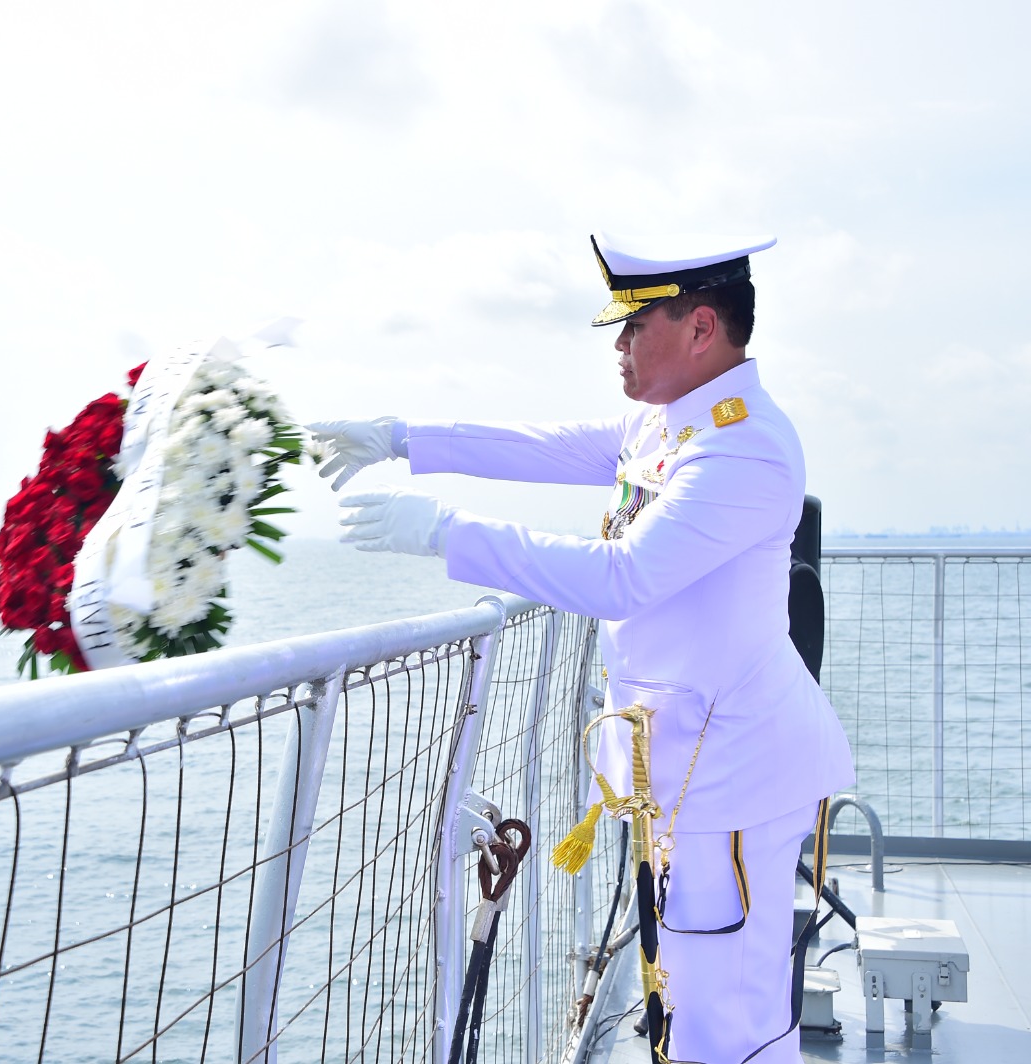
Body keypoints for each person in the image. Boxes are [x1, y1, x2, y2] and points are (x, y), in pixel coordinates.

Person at [308, 232, 855, 1064]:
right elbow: (544, 443)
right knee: (682, 998)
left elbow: (623, 576)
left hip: (735, 780)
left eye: (636, 326)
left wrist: (445, 533)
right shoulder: (668, 424)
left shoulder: (742, 448)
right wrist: (401, 436)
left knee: (727, 1020)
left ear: (701, 329)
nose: (619, 346)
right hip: (689, 774)